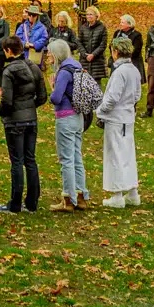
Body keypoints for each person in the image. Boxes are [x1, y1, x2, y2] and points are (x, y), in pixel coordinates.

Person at [0, 37, 46, 213]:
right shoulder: (33, 67)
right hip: (30, 118)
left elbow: (6, 101)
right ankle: (32, 202)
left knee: (17, 161)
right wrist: (29, 108)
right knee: (30, 160)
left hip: (15, 120)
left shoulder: (9, 71)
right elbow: (42, 96)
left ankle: (15, 203)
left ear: (8, 51)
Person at [97, 37, 143, 208]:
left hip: (116, 119)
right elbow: (137, 95)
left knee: (115, 155)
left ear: (115, 52)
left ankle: (117, 195)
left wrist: (100, 111)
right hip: (128, 117)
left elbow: (112, 98)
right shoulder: (134, 70)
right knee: (128, 155)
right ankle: (132, 192)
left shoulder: (120, 72)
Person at [47, 40, 88, 211]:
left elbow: (56, 98)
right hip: (78, 116)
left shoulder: (63, 72)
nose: (47, 56)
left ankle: (68, 199)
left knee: (66, 159)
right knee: (77, 156)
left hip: (65, 117)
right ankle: (81, 195)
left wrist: (52, 87)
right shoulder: (77, 66)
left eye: (49, 53)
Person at [78, 6, 109, 89]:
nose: (88, 16)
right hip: (85, 60)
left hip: (97, 61)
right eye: (87, 14)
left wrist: (93, 55)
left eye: (91, 14)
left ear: (96, 16)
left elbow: (103, 45)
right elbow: (79, 42)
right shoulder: (83, 27)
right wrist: (85, 55)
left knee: (96, 85)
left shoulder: (102, 28)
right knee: (84, 84)